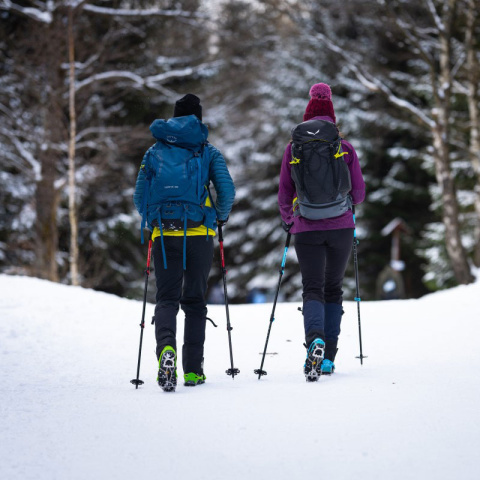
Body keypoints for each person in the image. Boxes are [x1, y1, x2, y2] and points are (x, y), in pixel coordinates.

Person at [134, 94, 235, 392]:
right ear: (198, 120)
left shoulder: (154, 151)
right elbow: (226, 190)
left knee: (166, 299)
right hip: (199, 234)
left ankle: (167, 351)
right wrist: (218, 217)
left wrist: (153, 220)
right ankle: (192, 371)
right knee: (194, 301)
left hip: (165, 235)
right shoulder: (208, 151)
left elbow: (140, 196)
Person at [278, 83, 365, 381]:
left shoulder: (294, 148)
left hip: (306, 227)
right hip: (341, 227)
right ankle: (327, 358)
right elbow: (360, 193)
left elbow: (285, 191)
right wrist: (344, 205)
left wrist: (289, 219)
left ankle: (313, 339)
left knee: (312, 287)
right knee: (333, 289)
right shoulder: (344, 147)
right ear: (332, 115)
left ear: (307, 115)